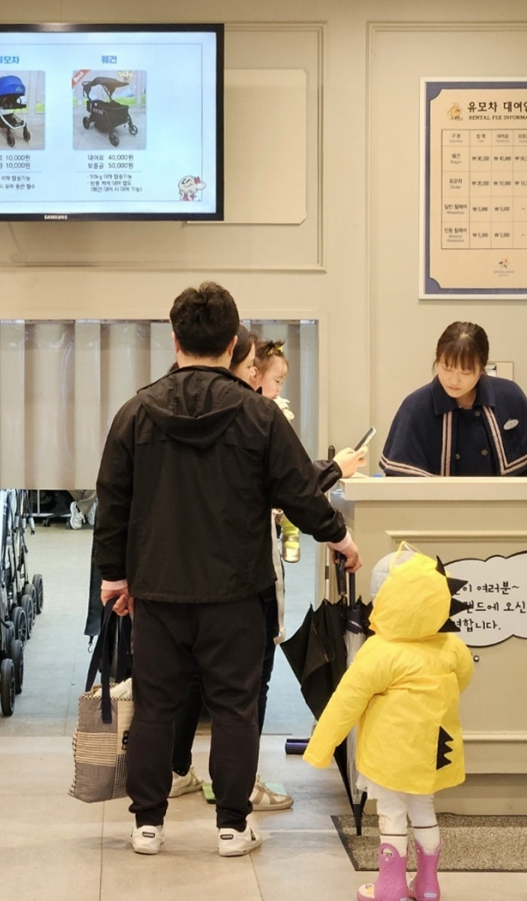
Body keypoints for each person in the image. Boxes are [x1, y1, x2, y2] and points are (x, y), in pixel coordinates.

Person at [92, 281, 361, 857]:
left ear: (175, 339)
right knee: (237, 707)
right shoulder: (259, 416)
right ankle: (233, 828)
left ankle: (147, 824)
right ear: (234, 344)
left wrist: (114, 577)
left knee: (156, 706)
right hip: (236, 594)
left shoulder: (135, 413)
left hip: (159, 594)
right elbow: (299, 492)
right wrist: (339, 537)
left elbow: (112, 500)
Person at [170, 328, 368, 810]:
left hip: (186, 574)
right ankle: (237, 791)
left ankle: (177, 776)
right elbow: (292, 486)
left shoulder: (165, 409)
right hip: (242, 577)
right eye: (261, 373)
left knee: (193, 679)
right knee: (245, 687)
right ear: (239, 365)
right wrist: (337, 519)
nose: (267, 384)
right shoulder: (253, 418)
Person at [304, 544, 473, 901]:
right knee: (424, 808)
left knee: (392, 812)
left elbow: (345, 703)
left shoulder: (379, 652)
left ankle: (390, 887)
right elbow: (463, 680)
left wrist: (319, 749)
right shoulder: (451, 646)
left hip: (390, 753)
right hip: (434, 750)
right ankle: (428, 886)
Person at [380, 321, 527, 476]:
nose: (453, 381)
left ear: (482, 368)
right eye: (446, 368)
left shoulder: (510, 396)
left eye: (465, 372)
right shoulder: (414, 408)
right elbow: (399, 484)